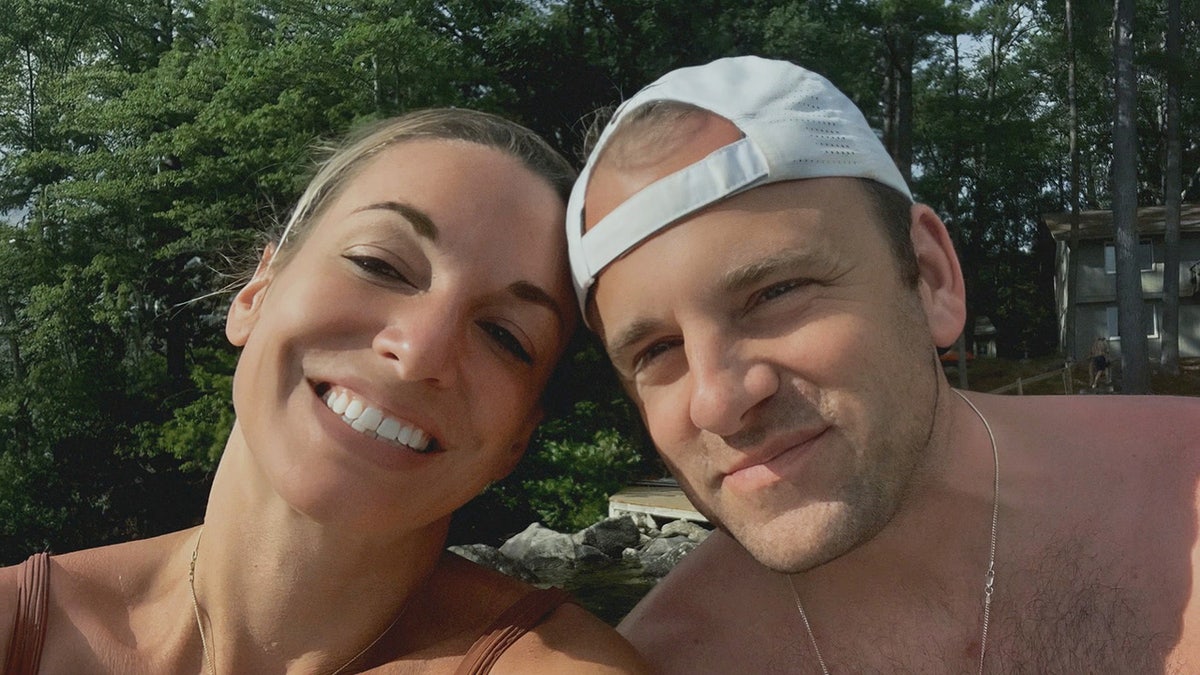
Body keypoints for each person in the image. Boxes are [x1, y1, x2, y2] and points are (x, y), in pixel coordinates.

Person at [566, 56, 1200, 673]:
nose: (717, 400)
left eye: (775, 293)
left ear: (930, 279)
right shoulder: (660, 660)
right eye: (655, 351)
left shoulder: (1185, 479)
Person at [0, 109, 648, 674]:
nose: (419, 349)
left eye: (506, 336)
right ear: (256, 293)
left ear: (519, 438)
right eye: (379, 263)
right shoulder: (17, 627)